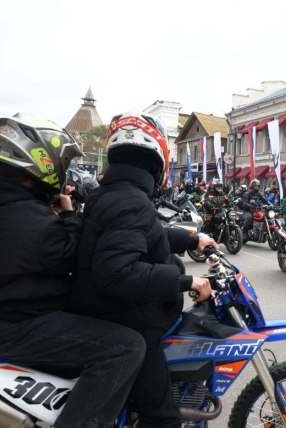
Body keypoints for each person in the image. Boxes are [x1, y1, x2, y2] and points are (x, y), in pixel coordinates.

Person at [0, 113, 146, 427]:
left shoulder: (11, 205)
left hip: (9, 313)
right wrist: (70, 216)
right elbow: (73, 256)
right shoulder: (28, 219)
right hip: (15, 323)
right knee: (126, 347)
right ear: (42, 163)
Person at [72, 112, 218, 427]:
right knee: (163, 418)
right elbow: (120, 272)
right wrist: (186, 280)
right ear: (158, 161)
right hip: (126, 317)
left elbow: (142, 234)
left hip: (106, 307)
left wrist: (192, 237)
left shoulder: (115, 194)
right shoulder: (132, 201)